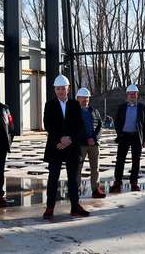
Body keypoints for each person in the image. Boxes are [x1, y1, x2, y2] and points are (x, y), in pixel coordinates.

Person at [43, 75, 89, 219]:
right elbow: (48, 125)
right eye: (58, 89)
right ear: (55, 90)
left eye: (63, 88)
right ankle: (50, 207)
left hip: (72, 146)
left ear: (68, 89)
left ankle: (75, 207)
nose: (61, 91)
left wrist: (70, 139)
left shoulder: (75, 105)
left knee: (74, 179)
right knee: (53, 179)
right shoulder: (49, 105)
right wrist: (60, 139)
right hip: (56, 146)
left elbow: (80, 126)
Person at [110, 84, 145, 193]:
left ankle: (134, 182)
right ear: (127, 96)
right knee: (120, 160)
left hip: (137, 136)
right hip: (124, 136)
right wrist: (119, 134)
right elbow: (116, 122)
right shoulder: (121, 107)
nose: (132, 96)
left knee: (136, 160)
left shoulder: (142, 107)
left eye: (134, 94)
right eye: (130, 94)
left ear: (137, 95)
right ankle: (117, 182)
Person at [75, 88, 105, 199]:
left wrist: (94, 138)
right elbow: (74, 129)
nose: (85, 100)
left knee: (95, 168)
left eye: (87, 97)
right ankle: (76, 188)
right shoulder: (74, 112)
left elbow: (100, 126)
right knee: (78, 167)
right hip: (80, 145)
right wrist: (85, 139)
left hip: (94, 145)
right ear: (77, 98)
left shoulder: (94, 111)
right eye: (83, 97)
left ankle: (95, 189)